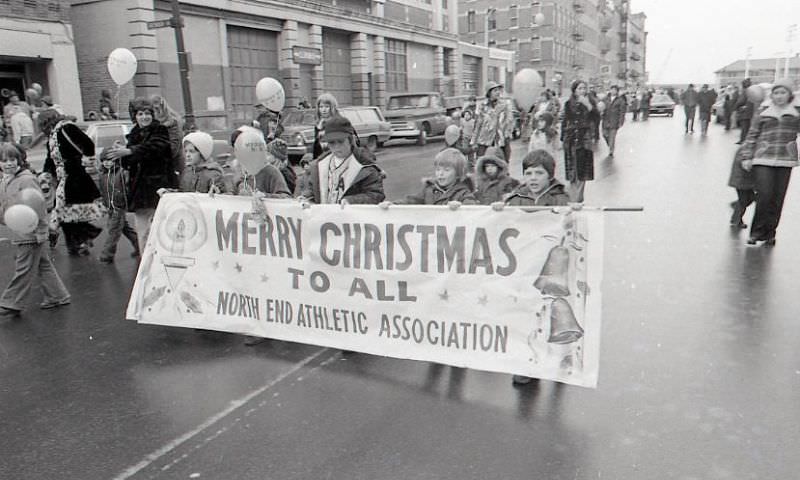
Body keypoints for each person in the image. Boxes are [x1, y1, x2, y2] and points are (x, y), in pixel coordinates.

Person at [0, 142, 71, 318]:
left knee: (23, 268)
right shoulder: (6, 180)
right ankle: (57, 296)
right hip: (18, 230)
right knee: (42, 264)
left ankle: (11, 302)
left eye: (12, 159)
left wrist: (41, 230)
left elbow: (38, 206)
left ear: (20, 160)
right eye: (3, 160)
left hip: (30, 232)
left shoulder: (26, 179)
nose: (8, 164)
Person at [107, 98, 173, 252]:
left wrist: (130, 151)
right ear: (135, 116)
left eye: (148, 113)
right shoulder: (134, 134)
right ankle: (145, 263)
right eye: (140, 114)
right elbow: (129, 163)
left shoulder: (160, 130)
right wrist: (121, 155)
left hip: (159, 187)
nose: (145, 117)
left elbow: (155, 147)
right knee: (142, 232)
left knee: (162, 230)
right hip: (140, 191)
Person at [740, 79, 800, 246]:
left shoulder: (796, 111)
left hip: (785, 159)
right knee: (764, 195)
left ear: (789, 95)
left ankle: (770, 233)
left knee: (777, 198)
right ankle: (756, 232)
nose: (779, 96)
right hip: (763, 157)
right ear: (771, 95)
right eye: (776, 93)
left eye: (783, 93)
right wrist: (747, 156)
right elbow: (752, 134)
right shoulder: (763, 110)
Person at [39, 110, 104, 256]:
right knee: (65, 212)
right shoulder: (52, 136)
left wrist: (85, 160)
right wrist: (46, 173)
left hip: (76, 177)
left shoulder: (66, 128)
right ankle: (79, 241)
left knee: (67, 212)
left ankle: (80, 240)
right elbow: (50, 158)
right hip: (65, 179)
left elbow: (88, 144)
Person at [300, 116, 384, 205]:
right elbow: (313, 190)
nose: (336, 147)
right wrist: (306, 198)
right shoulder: (319, 165)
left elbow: (376, 195)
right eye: (332, 143)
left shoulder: (365, 166)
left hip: (352, 216)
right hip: (325, 216)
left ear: (350, 140)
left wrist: (351, 200)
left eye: (340, 141)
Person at [96, 149, 140, 263]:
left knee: (113, 230)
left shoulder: (121, 172)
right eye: (104, 160)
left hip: (119, 206)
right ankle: (139, 245)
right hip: (110, 206)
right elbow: (102, 190)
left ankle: (107, 254)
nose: (107, 163)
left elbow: (127, 188)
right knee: (124, 228)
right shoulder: (103, 175)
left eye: (110, 160)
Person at [392, 148, 477, 206]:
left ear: (458, 174)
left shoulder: (463, 193)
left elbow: (471, 207)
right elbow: (411, 201)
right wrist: (393, 205)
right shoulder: (428, 190)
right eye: (438, 170)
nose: (440, 174)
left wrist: (461, 207)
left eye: (446, 170)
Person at [561, 80, 595, 203]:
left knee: (582, 172)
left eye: (584, 88)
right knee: (572, 172)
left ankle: (577, 199)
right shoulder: (568, 104)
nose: (583, 91)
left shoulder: (590, 103)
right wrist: (562, 139)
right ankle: (573, 197)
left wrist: (589, 106)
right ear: (574, 90)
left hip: (584, 140)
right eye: (580, 88)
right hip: (571, 140)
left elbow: (596, 118)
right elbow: (565, 122)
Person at [471, 82, 515, 161]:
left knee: (502, 162)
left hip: (500, 140)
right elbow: (478, 124)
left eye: (498, 90)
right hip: (484, 140)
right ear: (489, 93)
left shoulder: (505, 105)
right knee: (482, 162)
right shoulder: (482, 106)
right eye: (495, 90)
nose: (498, 92)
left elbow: (509, 121)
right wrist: (473, 141)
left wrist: (507, 134)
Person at [150, 94, 184, 181]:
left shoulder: (172, 122)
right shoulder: (152, 123)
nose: (154, 113)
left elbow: (174, 146)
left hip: (173, 163)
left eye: (156, 109)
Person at [727, 145, 755, 229]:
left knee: (749, 198)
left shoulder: (751, 147)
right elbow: (743, 163)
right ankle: (736, 220)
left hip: (746, 180)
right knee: (744, 200)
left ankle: (736, 206)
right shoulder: (746, 148)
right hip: (741, 180)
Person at [313, 93, 342, 159]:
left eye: (326, 106)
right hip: (323, 158)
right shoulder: (318, 125)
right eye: (321, 107)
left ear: (332, 107)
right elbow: (316, 147)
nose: (324, 110)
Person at [601, 85, 626, 157]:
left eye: (615, 90)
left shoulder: (620, 100)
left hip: (614, 121)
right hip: (605, 120)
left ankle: (611, 150)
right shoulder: (605, 99)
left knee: (612, 137)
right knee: (604, 134)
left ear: (617, 91)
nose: (613, 91)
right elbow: (600, 106)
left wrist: (621, 121)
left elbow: (622, 112)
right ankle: (610, 145)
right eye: (612, 89)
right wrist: (601, 113)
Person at [735, 78, 755, 144]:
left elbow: (741, 101)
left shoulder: (745, 91)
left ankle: (743, 140)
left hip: (744, 112)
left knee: (744, 127)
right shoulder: (752, 91)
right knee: (747, 127)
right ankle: (744, 140)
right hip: (750, 112)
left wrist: (736, 106)